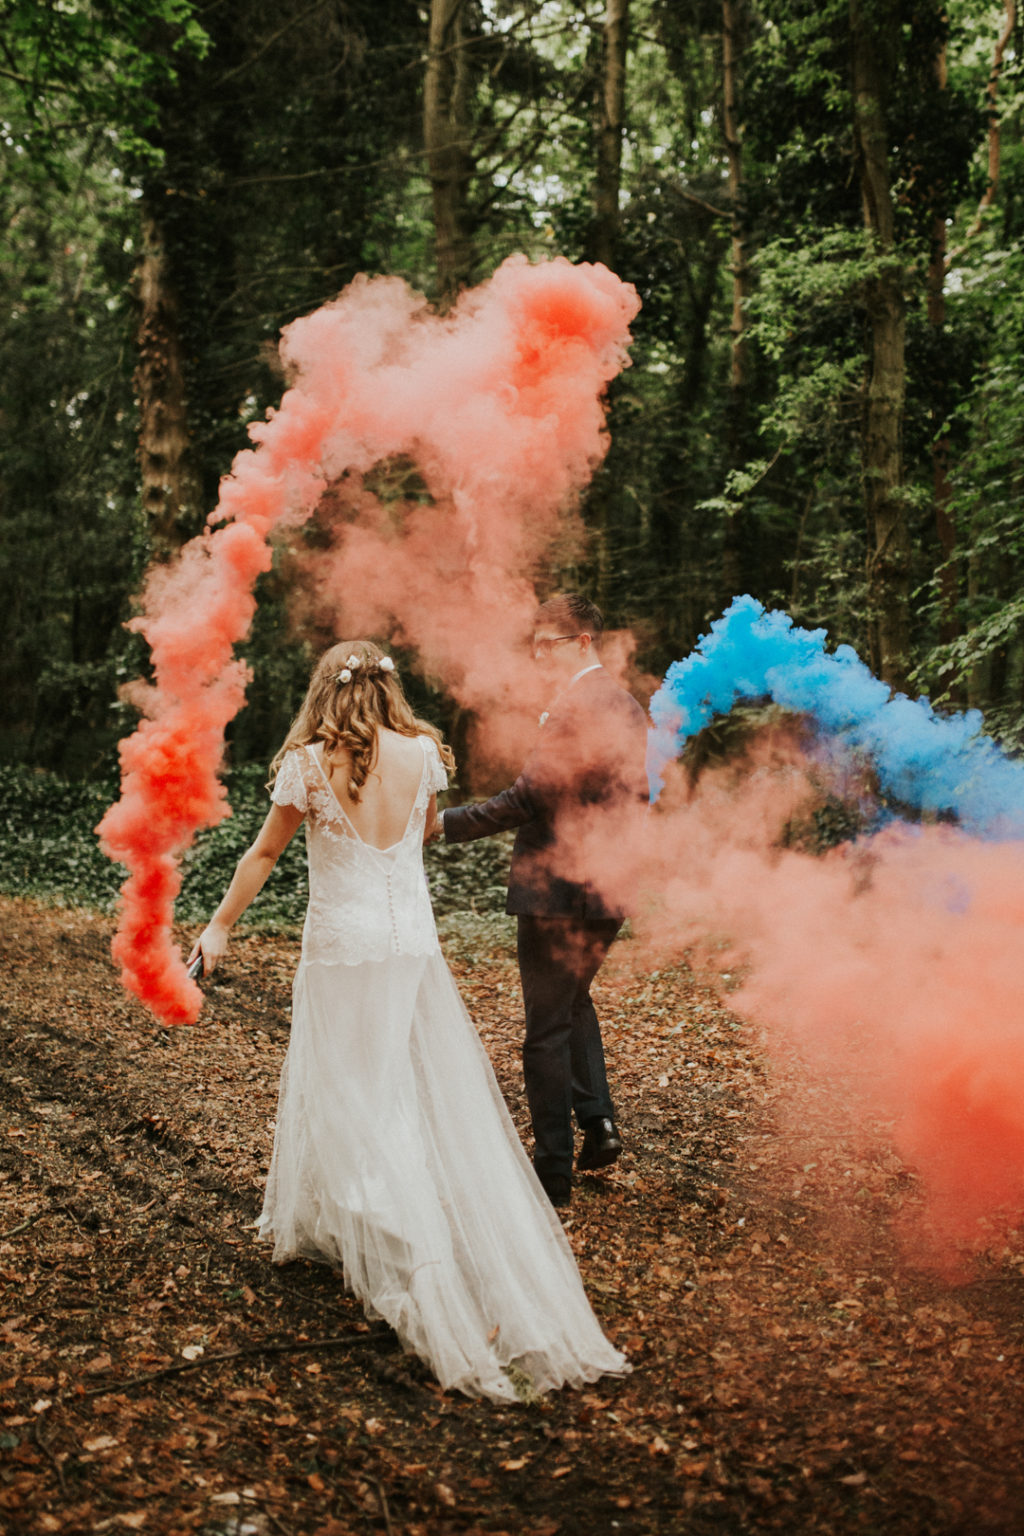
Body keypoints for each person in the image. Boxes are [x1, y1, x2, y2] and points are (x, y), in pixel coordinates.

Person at [188, 639, 627, 1403]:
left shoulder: (309, 764)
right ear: (390, 691)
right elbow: (421, 836)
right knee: (390, 1080)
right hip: (410, 947)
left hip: (340, 949)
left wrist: (220, 927)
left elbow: (264, 854)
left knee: (349, 1085)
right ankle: (354, 1218)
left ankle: (397, 1232)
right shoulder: (424, 754)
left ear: (325, 691)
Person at [439, 595, 649, 1208]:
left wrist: (445, 824)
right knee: (572, 999)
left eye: (549, 643)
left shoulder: (575, 706)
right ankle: (599, 1122)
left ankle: (552, 1170)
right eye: (533, 643)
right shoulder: (629, 705)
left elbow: (529, 797)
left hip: (559, 890)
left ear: (584, 641)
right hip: (607, 887)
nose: (537, 653)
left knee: (544, 1031)